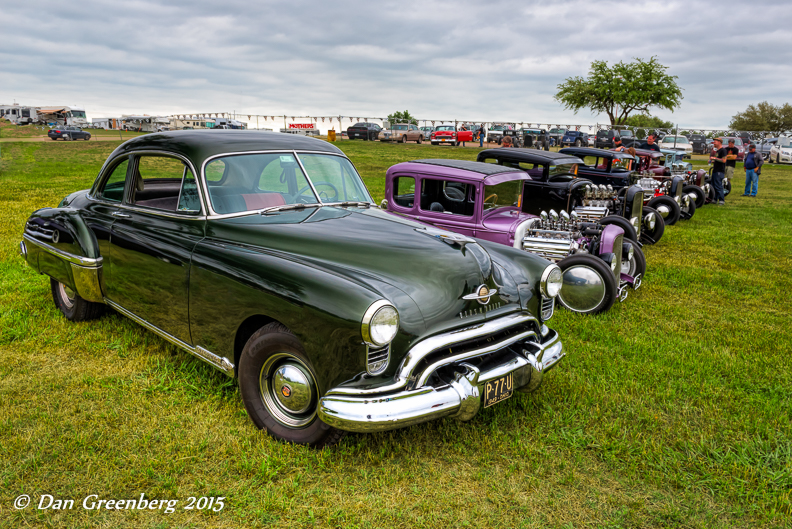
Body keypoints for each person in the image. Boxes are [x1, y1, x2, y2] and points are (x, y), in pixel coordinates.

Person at [709, 138, 727, 205]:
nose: (714, 143)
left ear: (719, 142)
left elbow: (724, 160)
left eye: (715, 141)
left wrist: (714, 158)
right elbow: (718, 160)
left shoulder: (723, 150)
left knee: (718, 186)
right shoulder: (718, 151)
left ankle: (722, 200)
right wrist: (712, 161)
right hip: (715, 170)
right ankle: (715, 199)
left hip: (719, 171)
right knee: (714, 186)